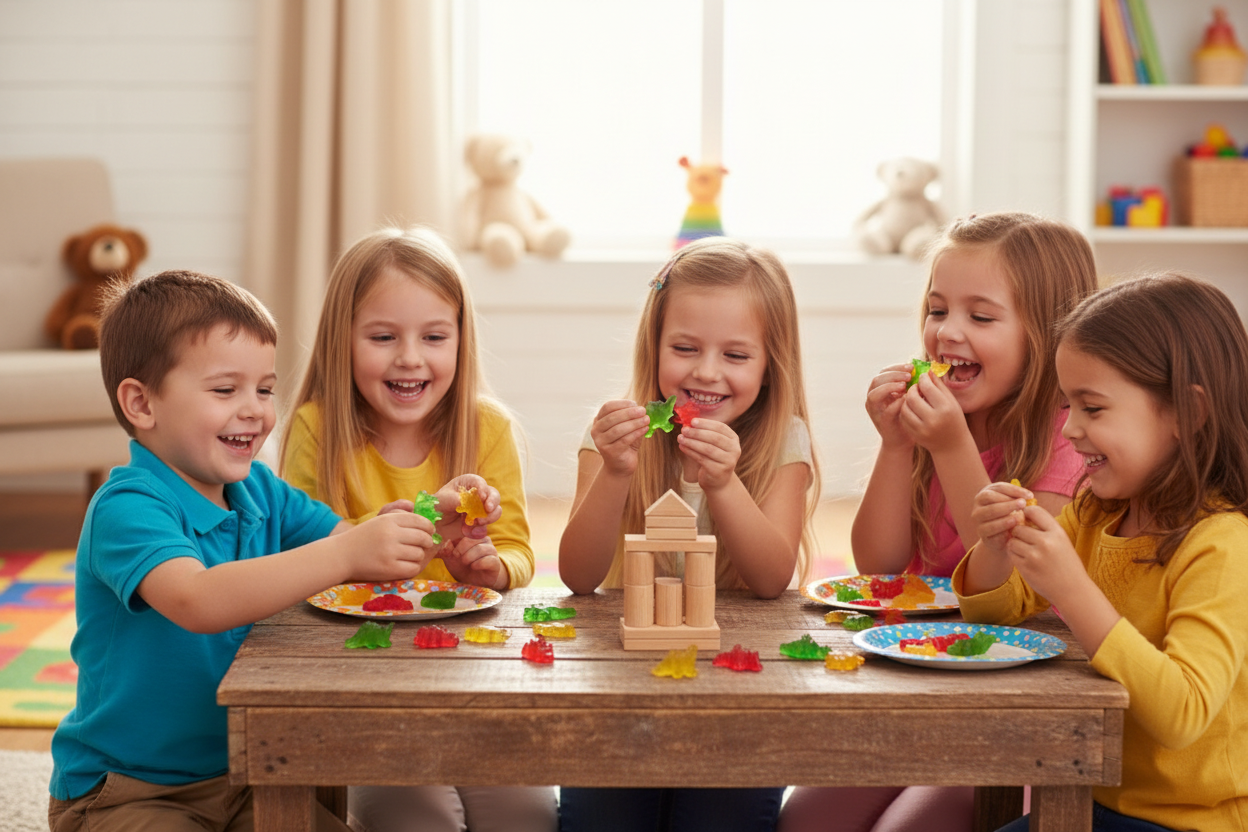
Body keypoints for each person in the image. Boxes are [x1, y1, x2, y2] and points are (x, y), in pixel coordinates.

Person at [48, 270, 487, 831]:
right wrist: (352, 553)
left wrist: (426, 519)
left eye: (264, 389)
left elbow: (345, 536)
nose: (255, 410)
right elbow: (197, 600)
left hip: (253, 775)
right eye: (225, 390)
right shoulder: (128, 505)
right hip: (130, 791)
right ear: (141, 403)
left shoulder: (259, 489)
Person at [780, 212, 1099, 832]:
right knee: (806, 819)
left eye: (981, 317)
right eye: (936, 310)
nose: (948, 333)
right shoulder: (937, 419)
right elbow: (880, 569)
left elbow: (1012, 588)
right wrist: (897, 446)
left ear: (1053, 336)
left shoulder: (1070, 438)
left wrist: (951, 448)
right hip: (924, 683)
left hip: (1021, 708)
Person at [279, 226, 554, 832]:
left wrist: (490, 568)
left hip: (474, 681)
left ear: (461, 339)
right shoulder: (316, 428)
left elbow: (516, 551)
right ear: (342, 341)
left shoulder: (488, 429)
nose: (410, 357)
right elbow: (299, 551)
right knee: (420, 819)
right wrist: (403, 524)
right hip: (369, 688)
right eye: (383, 337)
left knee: (528, 815)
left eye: (434, 336)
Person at [960, 273, 1248, 832]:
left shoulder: (1222, 545)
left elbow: (1184, 713)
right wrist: (995, 546)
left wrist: (1072, 590)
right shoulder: (1098, 512)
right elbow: (993, 614)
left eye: (1092, 408)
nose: (1068, 429)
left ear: (1188, 414)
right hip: (1089, 799)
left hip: (1190, 822)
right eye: (1067, 405)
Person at [558, 237, 821, 832]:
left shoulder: (783, 440)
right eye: (684, 348)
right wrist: (617, 472)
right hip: (619, 688)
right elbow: (577, 575)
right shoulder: (615, 433)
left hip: (741, 693)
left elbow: (770, 578)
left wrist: (726, 486)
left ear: (770, 363)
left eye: (736, 355)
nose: (706, 372)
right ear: (653, 347)